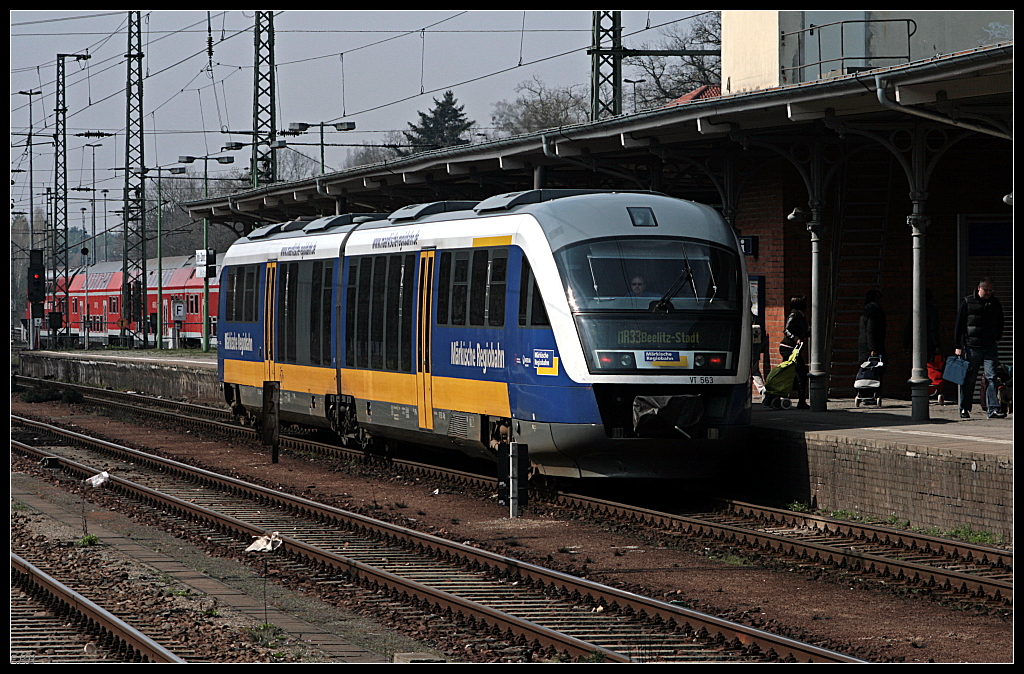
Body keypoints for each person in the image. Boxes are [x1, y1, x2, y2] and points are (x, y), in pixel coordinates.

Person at [953, 277, 1005, 419]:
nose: (988, 292)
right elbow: (959, 325)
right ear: (978, 288)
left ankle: (993, 409)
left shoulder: (994, 303)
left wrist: (997, 338)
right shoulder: (968, 302)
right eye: (985, 290)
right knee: (970, 378)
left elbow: (1000, 321)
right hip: (972, 347)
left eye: (990, 290)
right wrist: (958, 345)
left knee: (991, 377)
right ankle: (964, 408)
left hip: (989, 346)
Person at [779, 295, 809, 409]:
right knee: (800, 373)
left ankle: (799, 398)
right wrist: (796, 338)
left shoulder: (799, 315)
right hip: (788, 347)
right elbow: (786, 330)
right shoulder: (794, 315)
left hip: (793, 348)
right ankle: (801, 400)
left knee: (795, 373)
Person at [858, 289, 887, 380]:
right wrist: (873, 348)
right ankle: (873, 391)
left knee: (866, 368)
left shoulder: (867, 311)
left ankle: (863, 391)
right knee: (876, 368)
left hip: (865, 345)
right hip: (872, 346)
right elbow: (871, 330)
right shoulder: (874, 312)